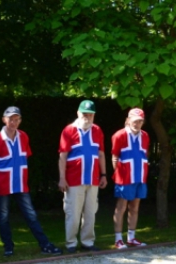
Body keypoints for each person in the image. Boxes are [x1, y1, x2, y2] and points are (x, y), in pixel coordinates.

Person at [0, 107, 63, 257]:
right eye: (10, 119)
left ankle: (45, 244)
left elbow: (25, 157)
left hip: (21, 184)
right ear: (4, 119)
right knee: (3, 216)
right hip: (3, 186)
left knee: (31, 215)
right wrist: (1, 176)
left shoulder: (24, 137)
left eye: (17, 119)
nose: (13, 122)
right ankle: (8, 246)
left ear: (20, 120)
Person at [58, 99, 107, 253]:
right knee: (73, 212)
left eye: (90, 115)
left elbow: (101, 154)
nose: (87, 117)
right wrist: (62, 178)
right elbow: (63, 156)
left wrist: (104, 174)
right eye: (84, 114)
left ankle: (87, 242)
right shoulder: (69, 130)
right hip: (73, 180)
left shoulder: (97, 130)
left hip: (93, 179)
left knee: (91, 212)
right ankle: (71, 243)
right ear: (78, 113)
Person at [111, 108, 149, 248]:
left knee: (135, 207)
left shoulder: (145, 135)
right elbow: (114, 157)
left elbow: (144, 154)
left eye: (140, 121)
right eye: (135, 121)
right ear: (128, 120)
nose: (137, 124)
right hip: (124, 178)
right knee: (121, 207)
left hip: (139, 177)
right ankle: (118, 239)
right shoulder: (119, 135)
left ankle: (131, 237)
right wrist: (118, 175)